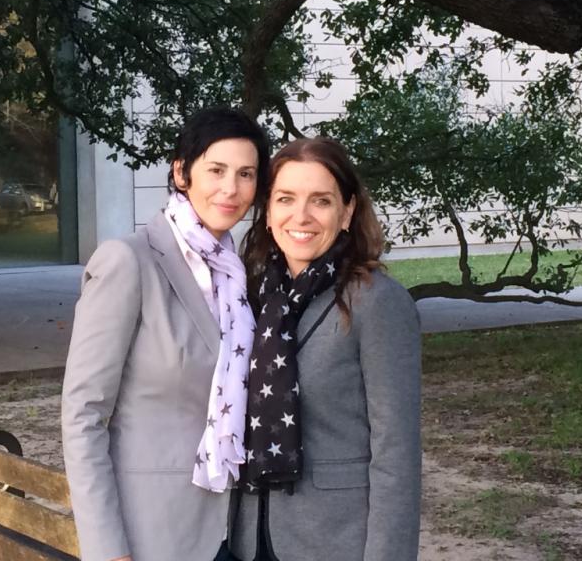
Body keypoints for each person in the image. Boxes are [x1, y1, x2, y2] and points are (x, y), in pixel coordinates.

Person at [61, 107, 270, 561]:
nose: (231, 188)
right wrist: (106, 549)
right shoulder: (128, 261)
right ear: (181, 172)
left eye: (246, 174)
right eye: (216, 170)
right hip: (150, 532)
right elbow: (83, 414)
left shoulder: (238, 274)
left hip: (232, 528)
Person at [228, 137, 421, 561]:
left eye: (321, 201)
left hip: (334, 540)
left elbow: (397, 452)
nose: (301, 216)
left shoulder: (377, 302)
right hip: (249, 537)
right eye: (286, 198)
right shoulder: (253, 295)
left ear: (347, 211)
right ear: (268, 211)